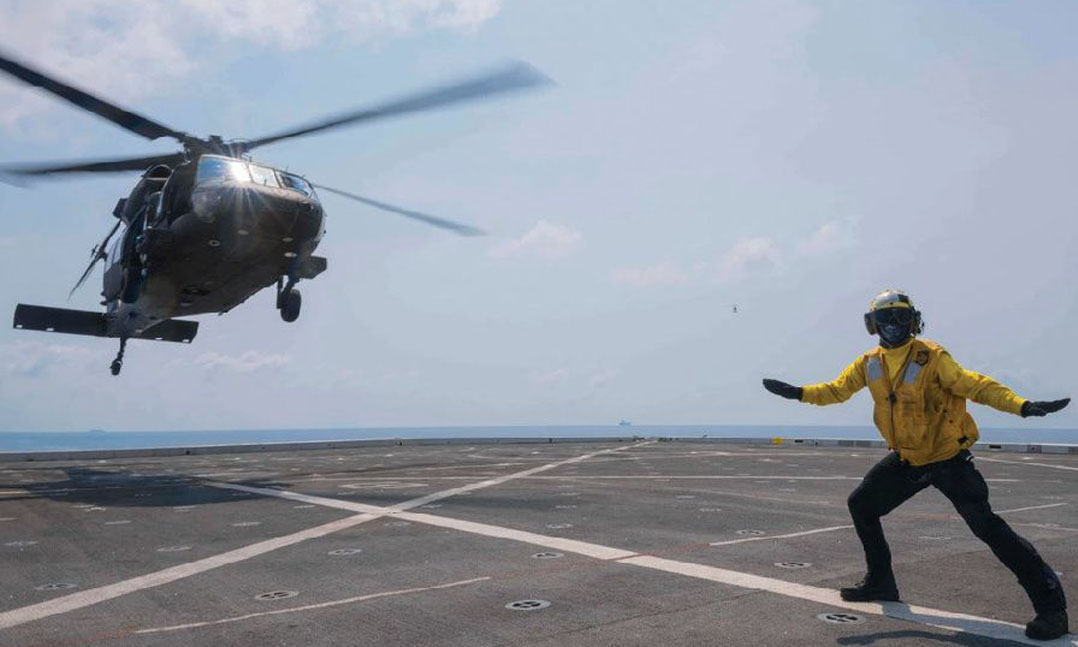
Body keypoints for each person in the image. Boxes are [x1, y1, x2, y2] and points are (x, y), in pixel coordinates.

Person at [761, 289, 1070, 640]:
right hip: (909, 458)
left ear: (914, 320)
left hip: (947, 460)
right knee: (862, 505)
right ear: (872, 325)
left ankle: (1052, 610)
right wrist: (798, 393)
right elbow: (837, 390)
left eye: (900, 317)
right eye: (885, 318)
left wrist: (1021, 405)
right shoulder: (870, 363)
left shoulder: (933, 358)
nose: (893, 325)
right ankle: (881, 582)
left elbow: (975, 386)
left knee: (990, 530)